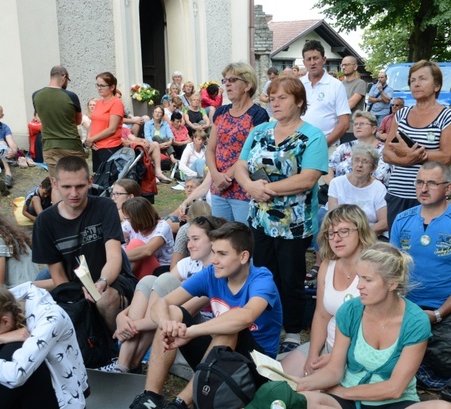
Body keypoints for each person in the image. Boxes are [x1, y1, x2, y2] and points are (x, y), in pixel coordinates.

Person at [296, 243, 451, 409]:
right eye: (359, 278)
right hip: (349, 403)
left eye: (368, 280)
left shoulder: (415, 321)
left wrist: (343, 392)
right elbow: (334, 371)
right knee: (303, 400)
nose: (359, 286)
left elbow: (394, 388)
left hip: (394, 404)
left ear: (392, 284)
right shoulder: (351, 310)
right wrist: (299, 384)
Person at [117, 222, 283, 409]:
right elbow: (161, 304)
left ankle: (180, 407)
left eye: (222, 254)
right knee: (174, 314)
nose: (214, 260)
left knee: (229, 326)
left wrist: (190, 332)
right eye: (213, 252)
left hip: (257, 370)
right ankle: (152, 398)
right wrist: (167, 323)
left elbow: (245, 317)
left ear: (243, 257)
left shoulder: (261, 279)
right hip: (222, 358)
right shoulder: (211, 274)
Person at [234, 75, 328, 357]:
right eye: (272, 98)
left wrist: (265, 189)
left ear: (299, 102)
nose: (275, 103)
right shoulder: (259, 130)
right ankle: (265, 324)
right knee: (263, 273)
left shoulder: (313, 136)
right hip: (260, 220)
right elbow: (240, 165)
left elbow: (308, 179)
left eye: (282, 97)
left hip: (293, 224)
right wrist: (250, 186)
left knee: (290, 278)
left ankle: (293, 330)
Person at [390, 162, 451, 378]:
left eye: (432, 183)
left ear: (448, 188)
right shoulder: (402, 220)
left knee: (447, 361)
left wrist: (437, 315)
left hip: (448, 310)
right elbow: (391, 271)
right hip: (406, 305)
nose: (424, 189)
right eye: (420, 182)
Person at [32, 155, 137, 333]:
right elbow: (57, 274)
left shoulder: (105, 207)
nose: (74, 193)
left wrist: (102, 282)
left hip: (112, 281)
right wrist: (77, 299)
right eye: (66, 187)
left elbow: (114, 257)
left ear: (90, 181)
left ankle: (116, 348)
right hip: (72, 286)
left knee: (105, 298)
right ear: (54, 183)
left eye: (80, 186)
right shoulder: (44, 222)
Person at [106, 215, 225, 373]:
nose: (189, 245)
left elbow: (183, 311)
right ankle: (123, 365)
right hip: (169, 322)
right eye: (188, 239)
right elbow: (157, 296)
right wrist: (122, 317)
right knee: (149, 280)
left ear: (213, 240)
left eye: (195, 239)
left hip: (198, 330)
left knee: (165, 280)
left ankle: (132, 363)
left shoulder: (217, 271)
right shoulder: (188, 263)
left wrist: (130, 327)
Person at [281, 205, 377, 377]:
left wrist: (336, 358)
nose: (336, 239)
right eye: (331, 233)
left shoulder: (376, 268)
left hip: (358, 356)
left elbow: (379, 329)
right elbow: (322, 315)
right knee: (275, 383)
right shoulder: (327, 265)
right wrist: (312, 354)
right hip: (327, 343)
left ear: (361, 231)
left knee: (305, 397)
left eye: (344, 231)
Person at [383, 60, 451, 231]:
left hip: (428, 196)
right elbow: (387, 154)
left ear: (437, 85)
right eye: (412, 80)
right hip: (397, 193)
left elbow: (446, 156)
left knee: (425, 245)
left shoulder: (447, 116)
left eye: (422, 79)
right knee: (397, 250)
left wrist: (410, 153)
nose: (416, 83)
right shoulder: (401, 114)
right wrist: (410, 158)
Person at [207, 63, 269, 224]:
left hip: (243, 188)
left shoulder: (258, 115)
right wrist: (215, 175)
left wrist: (225, 178)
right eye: (225, 80)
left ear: (248, 85)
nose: (227, 84)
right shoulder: (220, 112)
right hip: (218, 189)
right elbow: (211, 149)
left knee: (243, 238)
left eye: (233, 79)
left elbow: (250, 153)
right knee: (221, 237)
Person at [31, 66, 85, 178]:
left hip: (49, 146)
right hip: (71, 145)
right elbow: (78, 121)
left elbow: (39, 117)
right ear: (64, 77)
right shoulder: (71, 96)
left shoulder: (36, 95)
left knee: (56, 182)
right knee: (77, 181)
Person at [328, 143, 388, 236]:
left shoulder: (378, 188)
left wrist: (360, 233)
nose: (359, 165)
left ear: (373, 168)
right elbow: (332, 216)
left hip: (368, 234)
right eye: (356, 160)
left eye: (365, 162)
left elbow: (384, 222)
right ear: (351, 162)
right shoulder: (336, 183)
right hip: (341, 233)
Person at [300, 41, 351, 147]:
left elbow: (344, 123)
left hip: (327, 147)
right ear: (304, 62)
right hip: (299, 147)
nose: (312, 62)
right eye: (308, 59)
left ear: (324, 60)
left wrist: (323, 144)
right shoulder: (298, 84)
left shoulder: (336, 85)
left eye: (316, 58)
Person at [329, 111, 390, 183]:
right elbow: (329, 168)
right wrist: (335, 186)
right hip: (339, 191)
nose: (358, 126)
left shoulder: (385, 150)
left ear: (373, 129)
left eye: (362, 124)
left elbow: (384, 175)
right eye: (355, 124)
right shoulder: (344, 147)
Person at [121, 197, 174, 279]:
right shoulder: (128, 224)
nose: (126, 220)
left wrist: (117, 257)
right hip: (134, 265)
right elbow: (117, 242)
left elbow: (148, 251)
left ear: (138, 218)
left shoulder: (162, 226)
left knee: (136, 244)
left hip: (159, 269)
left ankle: (123, 280)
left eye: (128, 218)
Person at [86, 71, 124, 173]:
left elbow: (112, 129)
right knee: (99, 177)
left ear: (112, 87)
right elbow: (93, 122)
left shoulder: (116, 103)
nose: (99, 88)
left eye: (102, 85)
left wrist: (92, 139)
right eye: (98, 85)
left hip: (109, 147)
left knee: (108, 179)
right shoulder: (99, 103)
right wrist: (89, 138)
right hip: (96, 146)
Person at [143, 105, 175, 183]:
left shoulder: (165, 124)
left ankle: (171, 158)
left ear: (162, 115)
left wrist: (169, 141)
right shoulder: (147, 124)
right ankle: (172, 158)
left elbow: (170, 135)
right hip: (154, 146)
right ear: (153, 113)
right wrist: (158, 145)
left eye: (160, 112)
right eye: (156, 112)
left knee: (165, 138)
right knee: (156, 137)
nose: (157, 114)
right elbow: (148, 138)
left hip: (165, 147)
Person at [340, 56, 367, 143]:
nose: (343, 67)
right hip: (339, 127)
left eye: (346, 65)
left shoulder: (360, 83)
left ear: (355, 67)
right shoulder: (339, 84)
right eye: (342, 65)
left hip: (352, 128)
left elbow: (351, 104)